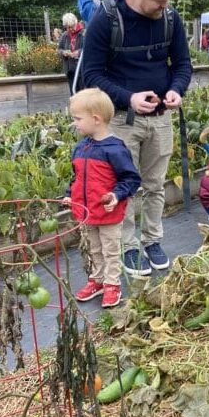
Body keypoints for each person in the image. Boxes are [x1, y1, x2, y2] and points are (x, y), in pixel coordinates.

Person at [83, 0, 192, 276]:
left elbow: (183, 65)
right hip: (121, 120)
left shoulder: (170, 18)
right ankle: (128, 246)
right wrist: (128, 98)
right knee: (124, 186)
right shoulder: (106, 19)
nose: (165, 6)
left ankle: (153, 239)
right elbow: (92, 74)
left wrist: (177, 89)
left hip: (160, 119)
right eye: (159, 0)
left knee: (156, 185)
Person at [62, 89, 141, 308]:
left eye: (78, 118)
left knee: (110, 249)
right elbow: (77, 177)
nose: (74, 123)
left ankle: (112, 284)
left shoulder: (115, 149)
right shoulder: (81, 147)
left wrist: (116, 195)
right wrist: (70, 196)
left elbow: (131, 179)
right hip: (85, 212)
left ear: (96, 119)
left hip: (108, 212)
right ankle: (97, 280)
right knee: (93, 249)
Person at [58, 13, 84, 94]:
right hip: (70, 71)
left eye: (72, 26)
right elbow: (59, 49)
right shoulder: (64, 35)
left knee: (83, 95)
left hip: (82, 70)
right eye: (68, 27)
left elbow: (91, 48)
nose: (71, 29)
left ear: (76, 23)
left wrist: (79, 52)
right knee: (73, 95)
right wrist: (64, 52)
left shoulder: (85, 33)